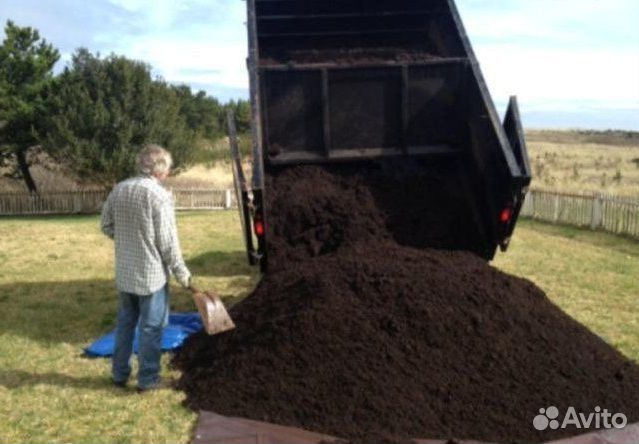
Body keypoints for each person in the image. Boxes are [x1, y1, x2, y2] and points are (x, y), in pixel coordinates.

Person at [100, 144, 191, 392]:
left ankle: (119, 375)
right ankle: (148, 380)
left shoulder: (119, 189)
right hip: (151, 277)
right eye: (168, 168)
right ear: (160, 169)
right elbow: (168, 244)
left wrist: (128, 241)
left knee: (125, 324)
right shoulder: (159, 196)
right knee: (151, 329)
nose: (169, 172)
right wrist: (184, 274)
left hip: (125, 274)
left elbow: (106, 226)